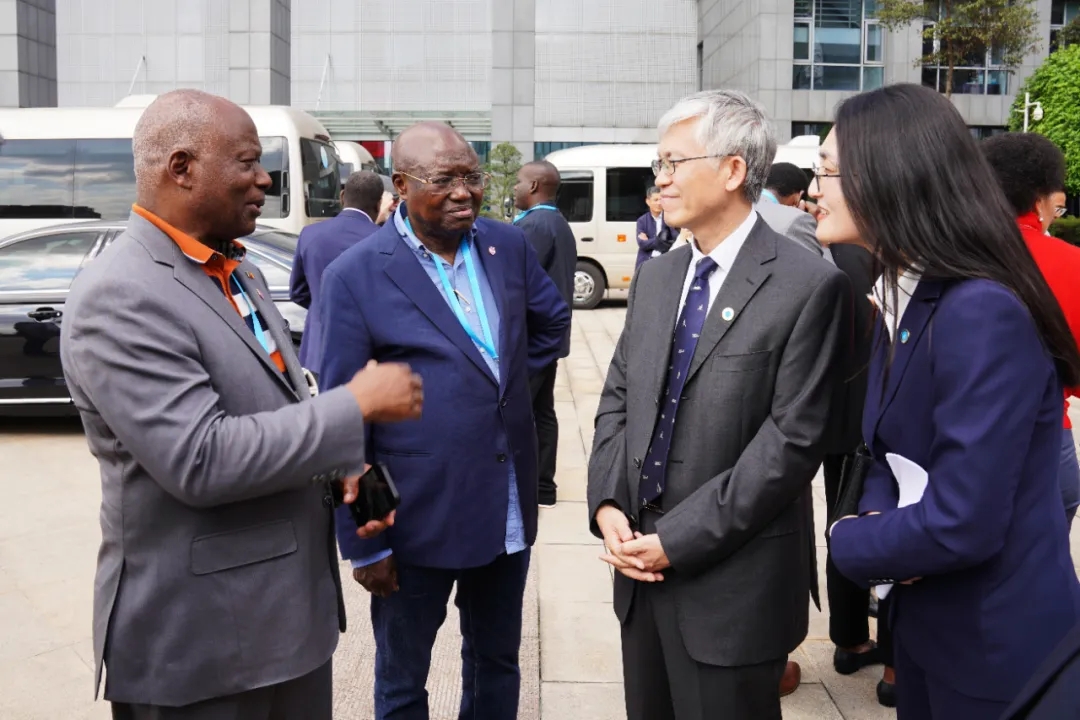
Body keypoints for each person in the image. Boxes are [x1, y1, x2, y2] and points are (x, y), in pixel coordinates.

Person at [59, 89, 422, 720]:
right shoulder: (120, 294)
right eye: (249, 162)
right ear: (181, 168)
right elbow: (201, 459)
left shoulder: (237, 270)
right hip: (203, 649)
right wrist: (353, 407)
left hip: (287, 627)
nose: (265, 180)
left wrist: (342, 467)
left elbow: (275, 400)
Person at [587, 89, 847, 720]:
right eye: (659, 164)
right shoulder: (658, 276)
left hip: (734, 589)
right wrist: (608, 503)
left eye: (674, 162)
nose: (660, 179)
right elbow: (619, 396)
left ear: (733, 170)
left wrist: (675, 540)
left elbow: (791, 445)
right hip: (638, 574)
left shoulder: (808, 285)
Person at [822, 83, 1080, 719]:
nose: (815, 188)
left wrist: (849, 539)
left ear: (889, 176)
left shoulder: (980, 309)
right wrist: (881, 524)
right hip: (929, 625)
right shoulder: (908, 294)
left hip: (992, 646)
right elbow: (887, 454)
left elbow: (963, 520)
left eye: (828, 170)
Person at [319, 121, 570, 720]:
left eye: (471, 176)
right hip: (414, 519)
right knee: (403, 679)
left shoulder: (505, 245)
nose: (464, 191)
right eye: (444, 179)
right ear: (402, 185)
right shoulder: (355, 274)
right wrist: (365, 541)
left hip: (504, 507)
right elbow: (340, 419)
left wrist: (497, 385)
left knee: (497, 663)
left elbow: (552, 322)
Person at [982, 132, 1080, 525]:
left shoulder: (951, 254)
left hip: (962, 441)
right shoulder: (1071, 262)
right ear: (1040, 199)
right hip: (1048, 442)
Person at [512, 160, 578, 507]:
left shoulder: (535, 225)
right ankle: (543, 488)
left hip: (532, 339)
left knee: (517, 410)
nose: (514, 188)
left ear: (534, 186)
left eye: (518, 182)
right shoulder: (557, 222)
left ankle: (526, 485)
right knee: (542, 410)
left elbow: (514, 281)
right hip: (548, 338)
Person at [290, 170, 384, 372]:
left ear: (342, 196)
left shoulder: (310, 234)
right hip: (366, 357)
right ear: (378, 204)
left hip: (317, 351)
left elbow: (298, 291)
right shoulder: (384, 240)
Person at [755, 162, 820, 256]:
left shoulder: (738, 206)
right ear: (798, 197)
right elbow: (817, 264)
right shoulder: (798, 220)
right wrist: (822, 238)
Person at [635, 185, 678, 269]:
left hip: (665, 261)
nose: (659, 203)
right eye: (656, 200)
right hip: (646, 262)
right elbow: (642, 244)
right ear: (648, 201)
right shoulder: (642, 220)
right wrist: (661, 241)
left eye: (661, 199)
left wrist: (650, 242)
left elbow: (675, 240)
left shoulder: (669, 218)